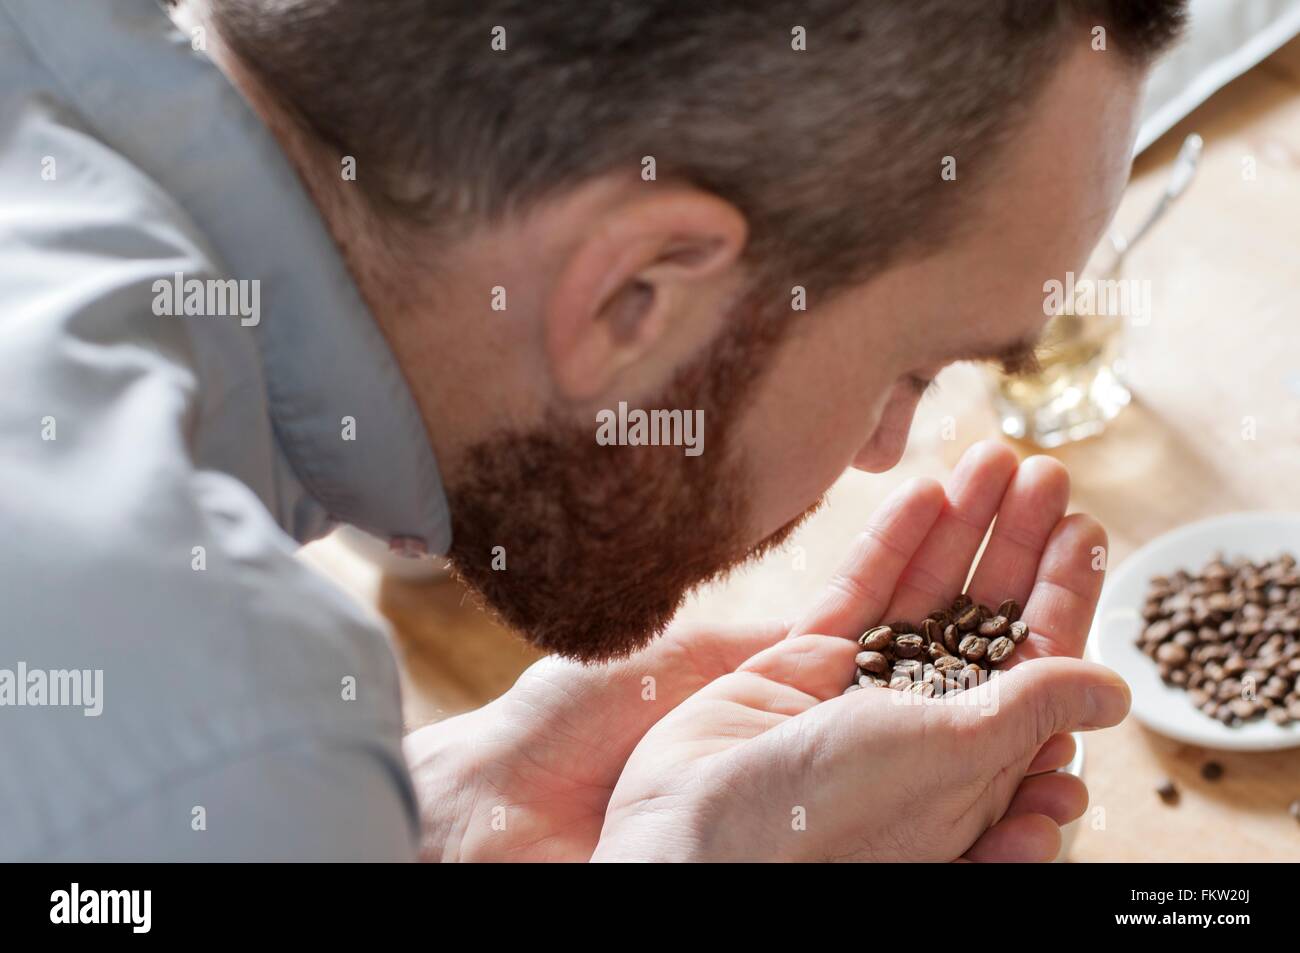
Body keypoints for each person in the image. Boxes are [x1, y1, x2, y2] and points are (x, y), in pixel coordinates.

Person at [0, 0, 1186, 860]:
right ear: (637, 297)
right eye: (910, 367)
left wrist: (421, 821)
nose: (884, 451)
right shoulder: (214, 713)